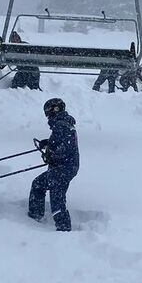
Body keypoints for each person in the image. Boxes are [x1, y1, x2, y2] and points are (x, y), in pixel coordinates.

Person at [28, 98, 80, 232]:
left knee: (56, 197)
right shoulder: (64, 123)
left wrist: (50, 155)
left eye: (47, 113)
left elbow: (63, 148)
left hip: (63, 168)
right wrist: (47, 144)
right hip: (67, 166)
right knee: (39, 184)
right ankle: (36, 216)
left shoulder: (60, 125)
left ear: (53, 111)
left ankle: (63, 227)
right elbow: (60, 142)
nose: (47, 117)